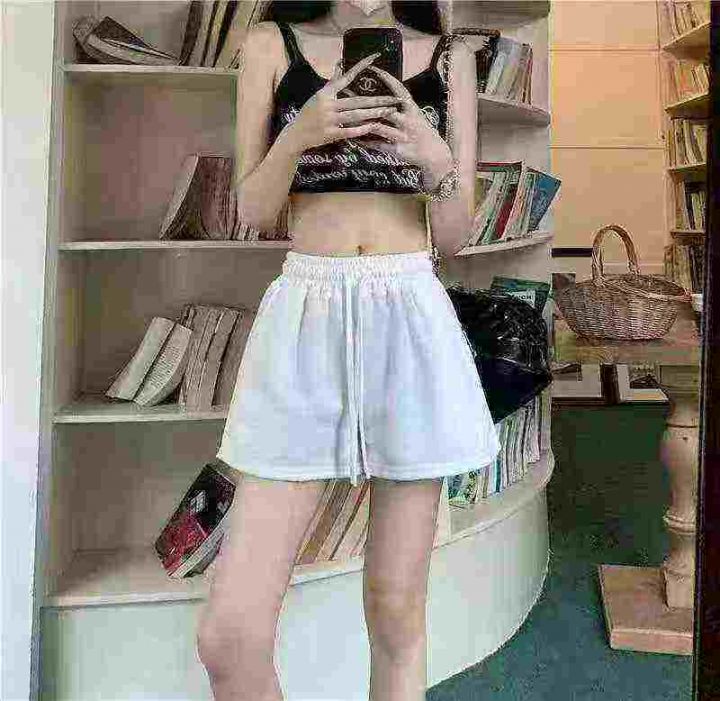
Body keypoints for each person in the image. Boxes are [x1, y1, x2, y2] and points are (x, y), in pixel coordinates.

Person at [196, 1, 500, 699]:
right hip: (306, 314)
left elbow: (454, 236)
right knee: (228, 636)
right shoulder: (270, 43)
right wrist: (299, 135)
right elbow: (255, 211)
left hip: (408, 314)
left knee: (396, 613)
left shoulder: (450, 56)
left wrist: (434, 159)